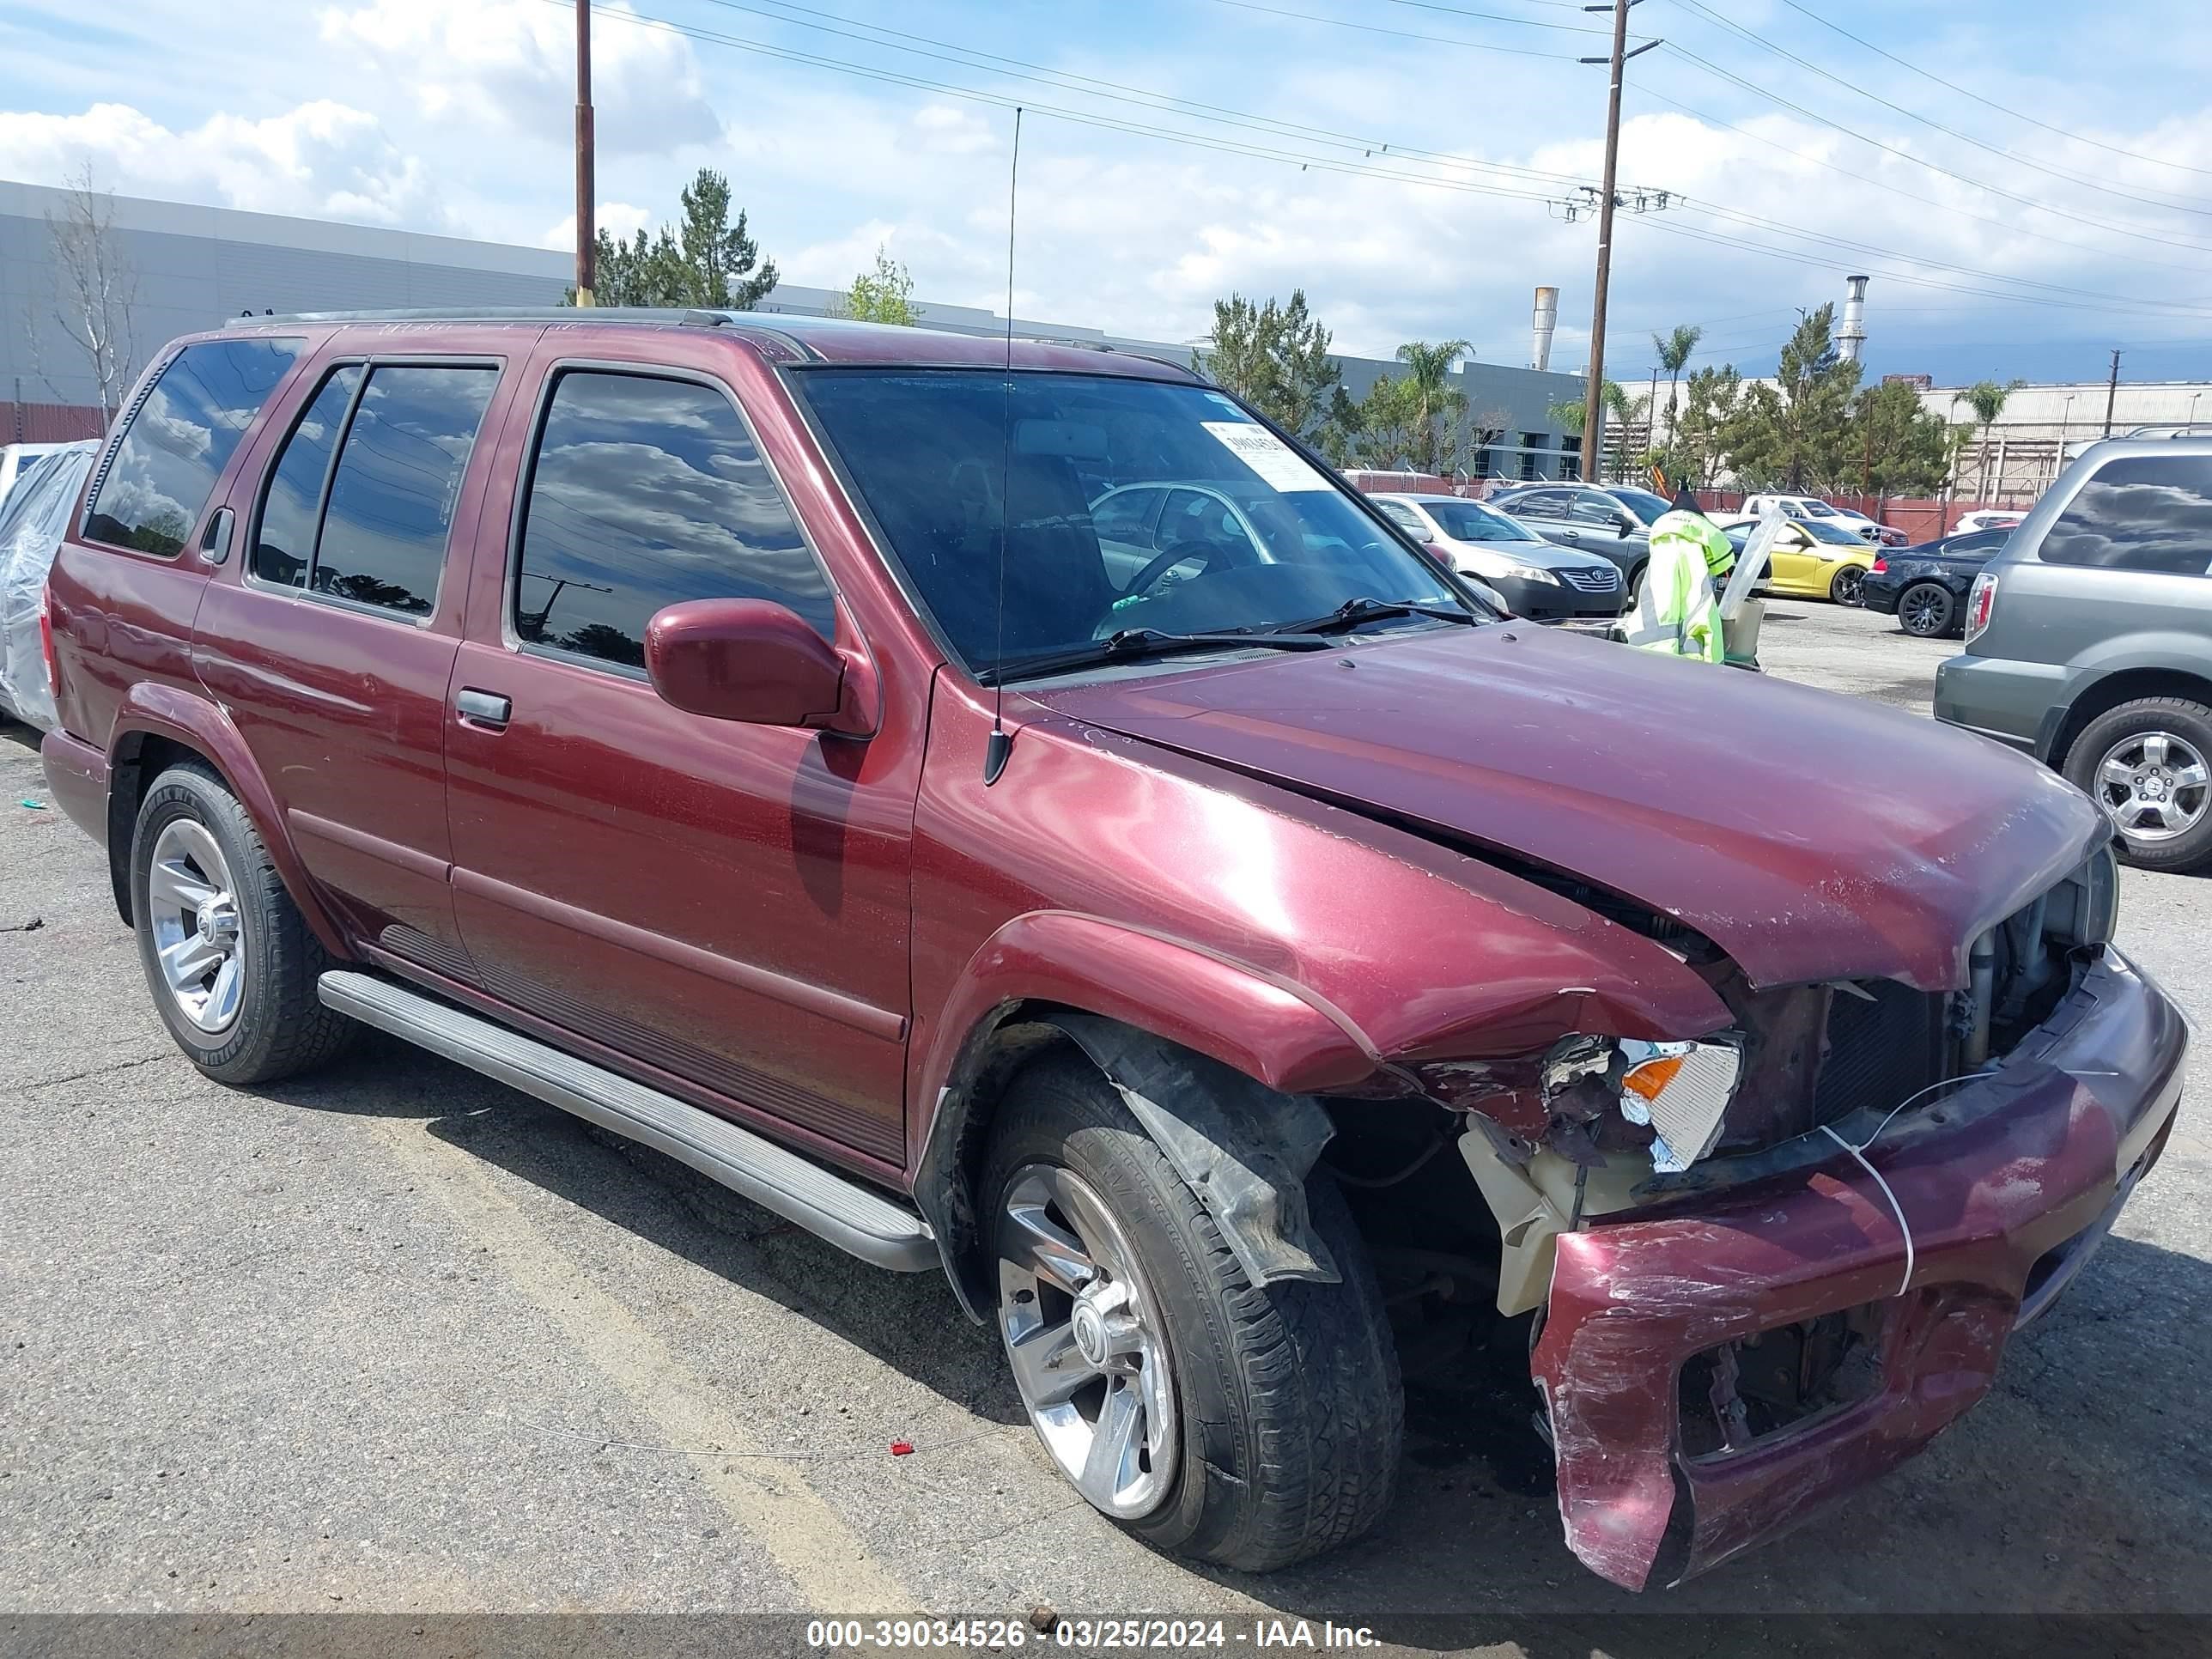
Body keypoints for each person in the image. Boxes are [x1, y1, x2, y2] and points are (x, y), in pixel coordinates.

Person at [1620, 483, 1735, 664]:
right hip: (1689, 664)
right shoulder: (1705, 537)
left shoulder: (1660, 533)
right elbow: (1723, 563)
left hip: (1644, 656)